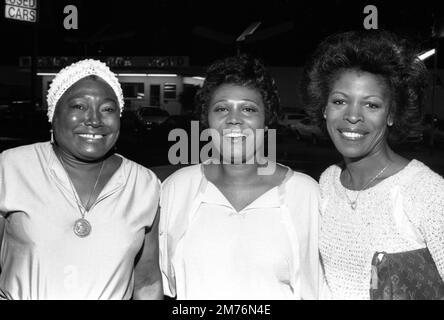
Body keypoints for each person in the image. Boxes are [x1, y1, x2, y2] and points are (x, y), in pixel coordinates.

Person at [159, 55, 320, 300]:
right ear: (207, 120)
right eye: (222, 108)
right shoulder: (177, 188)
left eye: (248, 109)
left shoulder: (306, 194)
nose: (234, 119)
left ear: (266, 121)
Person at [0, 59, 162, 300]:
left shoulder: (144, 184)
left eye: (107, 109)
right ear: (53, 115)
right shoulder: (11, 168)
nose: (94, 120)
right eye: (78, 106)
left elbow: (147, 282)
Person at [302, 30, 444, 299]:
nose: (353, 116)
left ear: (391, 114)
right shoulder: (328, 183)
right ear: (324, 108)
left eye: (371, 105)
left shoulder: (425, 192)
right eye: (340, 101)